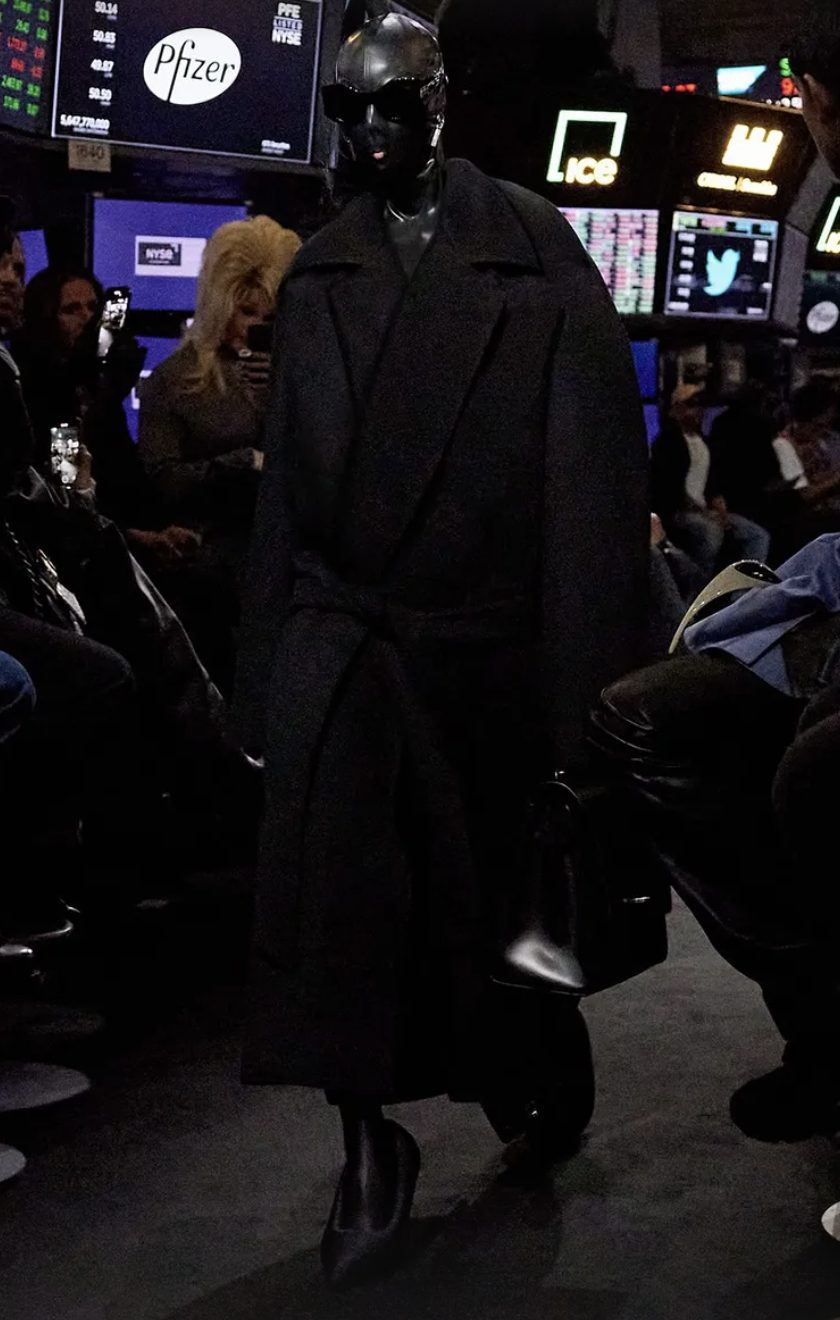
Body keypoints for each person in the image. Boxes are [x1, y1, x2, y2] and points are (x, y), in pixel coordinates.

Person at [235, 0, 649, 1286]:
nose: (368, 129)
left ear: (438, 103)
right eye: (348, 107)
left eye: (391, 103)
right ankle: (367, 1142)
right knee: (337, 901)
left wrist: (589, 691)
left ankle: (533, 1061)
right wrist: (262, 682)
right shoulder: (324, 270)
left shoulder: (530, 249)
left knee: (498, 902)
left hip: (485, 650)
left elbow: (588, 484)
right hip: (349, 640)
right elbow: (290, 497)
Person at [138, 216, 301, 692]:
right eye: (246, 312)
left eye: (269, 317)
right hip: (209, 558)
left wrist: (283, 400)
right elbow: (162, 479)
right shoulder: (175, 380)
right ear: (220, 302)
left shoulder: (299, 376)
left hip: (283, 552)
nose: (254, 327)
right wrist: (241, 465)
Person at [11, 265, 196, 567]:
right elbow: (66, 490)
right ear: (45, 319)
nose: (86, 318)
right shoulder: (37, 390)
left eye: (93, 307)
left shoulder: (96, 387)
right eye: (71, 310)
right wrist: (135, 537)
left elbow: (126, 474)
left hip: (120, 545)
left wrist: (162, 527)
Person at [651, 383, 771, 580]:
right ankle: (698, 590)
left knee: (757, 536)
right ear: (676, 409)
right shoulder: (667, 443)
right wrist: (705, 513)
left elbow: (712, 484)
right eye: (692, 404)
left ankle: (742, 593)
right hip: (681, 511)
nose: (699, 409)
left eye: (701, 404)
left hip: (705, 510)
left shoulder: (705, 442)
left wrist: (720, 510)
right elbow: (671, 488)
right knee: (710, 533)